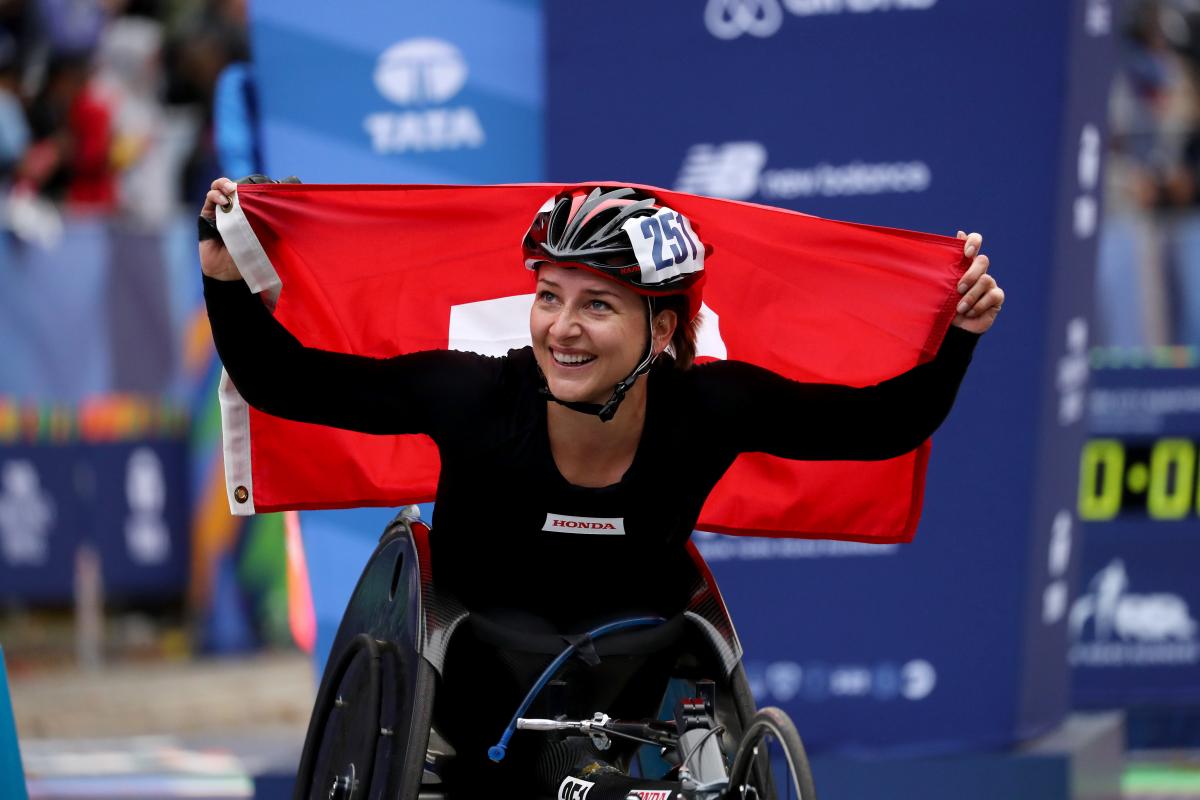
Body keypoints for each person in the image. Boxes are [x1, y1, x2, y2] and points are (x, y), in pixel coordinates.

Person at [199, 178, 1003, 793]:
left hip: (636, 677)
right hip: (471, 674)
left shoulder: (709, 409)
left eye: (597, 305)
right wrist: (225, 281)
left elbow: (881, 426)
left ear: (661, 328)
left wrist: (960, 333)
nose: (562, 327)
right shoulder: (475, 398)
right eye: (548, 297)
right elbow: (288, 384)